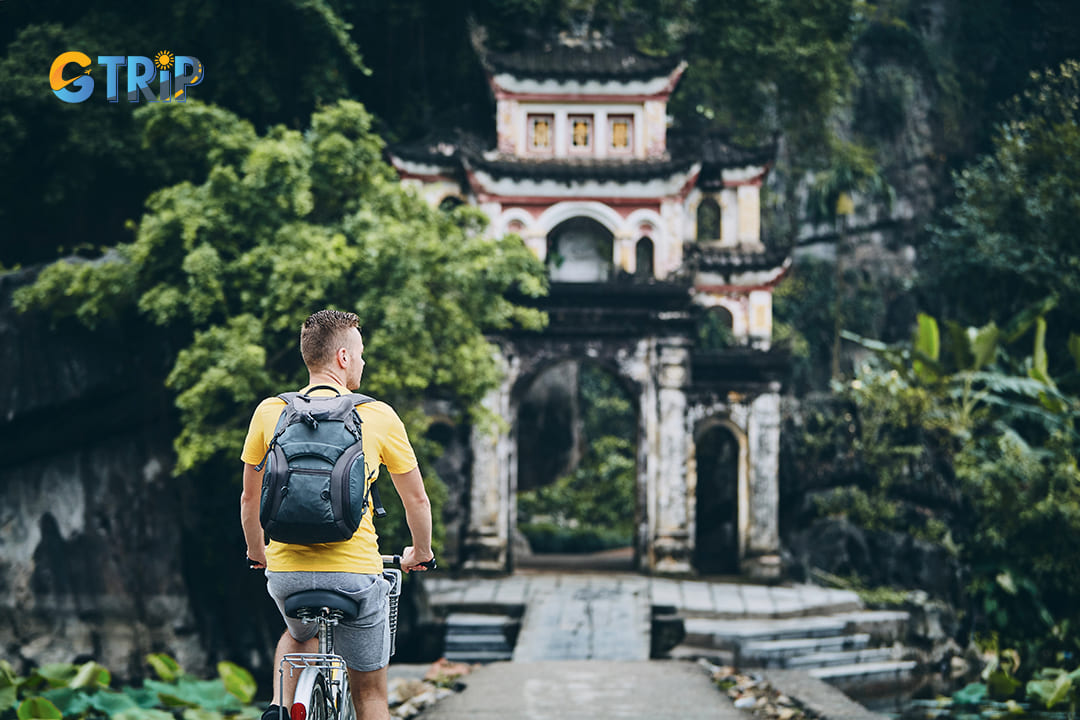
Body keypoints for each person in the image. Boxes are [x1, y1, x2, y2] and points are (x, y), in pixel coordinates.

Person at [239, 309, 434, 720]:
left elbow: (249, 501)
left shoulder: (269, 412)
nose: (363, 362)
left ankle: (280, 704)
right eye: (360, 353)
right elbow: (416, 500)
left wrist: (258, 553)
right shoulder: (377, 415)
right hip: (355, 576)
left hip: (287, 577)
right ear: (343, 358)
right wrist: (420, 552)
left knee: (298, 632)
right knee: (371, 696)